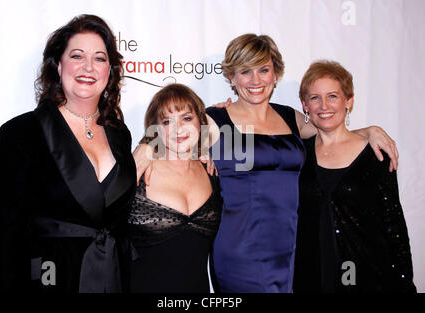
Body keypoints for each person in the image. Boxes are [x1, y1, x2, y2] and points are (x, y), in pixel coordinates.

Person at [133, 34, 399, 293]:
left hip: (294, 248)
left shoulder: (291, 117)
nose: (255, 80)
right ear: (232, 78)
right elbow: (170, 128)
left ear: (275, 74)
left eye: (263, 69)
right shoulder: (214, 120)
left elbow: (330, 129)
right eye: (245, 71)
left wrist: (368, 131)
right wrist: (145, 146)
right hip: (240, 252)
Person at [0, 14, 136, 293]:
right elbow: (5, 236)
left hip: (113, 278)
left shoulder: (119, 134)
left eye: (100, 58)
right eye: (77, 55)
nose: (88, 67)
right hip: (52, 278)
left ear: (110, 70)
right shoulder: (21, 133)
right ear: (58, 65)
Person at [293, 60, 416, 293]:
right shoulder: (298, 154)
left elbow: (394, 224)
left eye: (332, 96)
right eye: (315, 98)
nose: (324, 105)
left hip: (368, 277)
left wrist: (404, 281)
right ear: (305, 105)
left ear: (348, 101)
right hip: (310, 277)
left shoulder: (376, 154)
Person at [128, 84, 222, 293]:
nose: (179, 128)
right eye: (167, 121)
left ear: (200, 122)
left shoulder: (211, 172)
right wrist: (144, 147)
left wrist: (221, 109)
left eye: (187, 118)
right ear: (155, 128)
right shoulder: (139, 171)